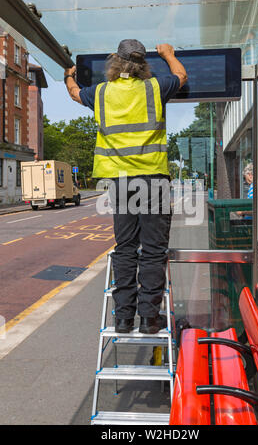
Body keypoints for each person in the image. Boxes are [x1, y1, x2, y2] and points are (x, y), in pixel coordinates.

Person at [64, 40, 187, 334]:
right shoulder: (155, 88)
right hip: (153, 180)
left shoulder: (101, 92)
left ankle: (122, 318)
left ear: (115, 64)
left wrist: (70, 74)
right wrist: (169, 54)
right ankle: (149, 319)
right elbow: (181, 77)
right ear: (143, 66)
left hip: (121, 182)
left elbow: (73, 93)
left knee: (126, 247)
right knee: (154, 250)